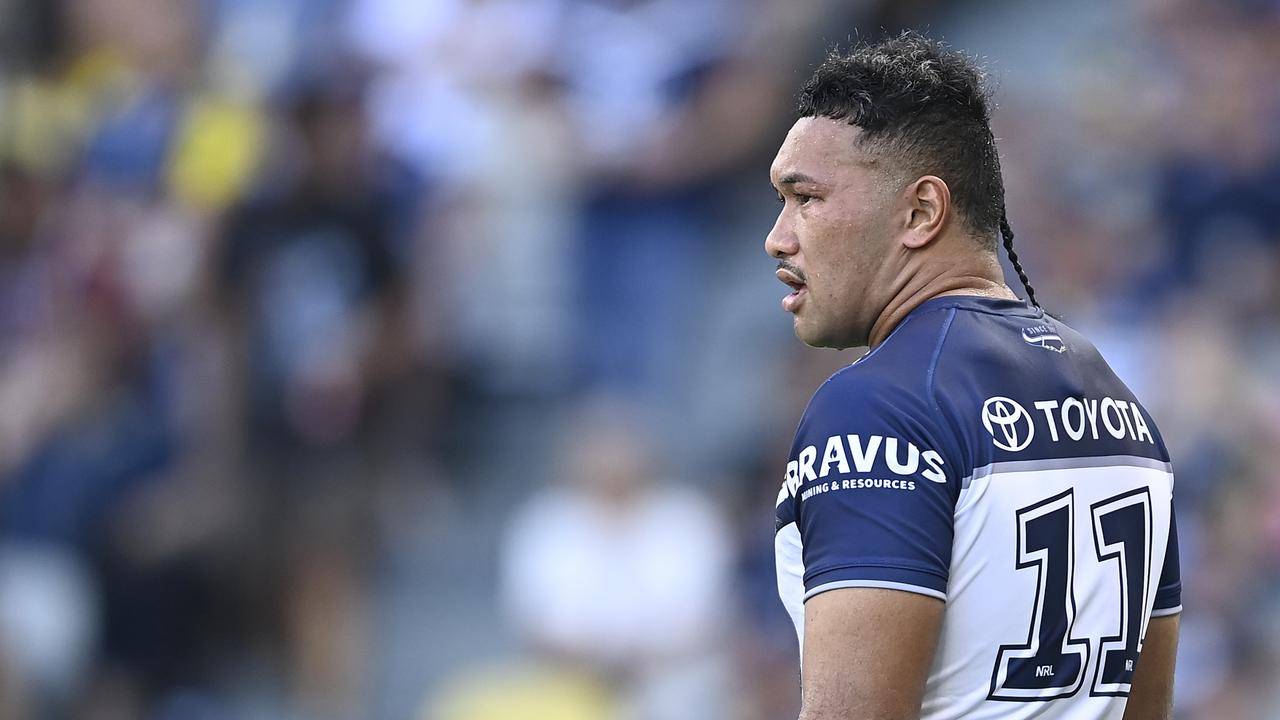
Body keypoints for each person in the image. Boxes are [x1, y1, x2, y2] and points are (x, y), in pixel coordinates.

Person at [767, 32, 1180, 720]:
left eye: (805, 198)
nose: (778, 236)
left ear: (921, 212)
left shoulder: (878, 408)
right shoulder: (1120, 401)